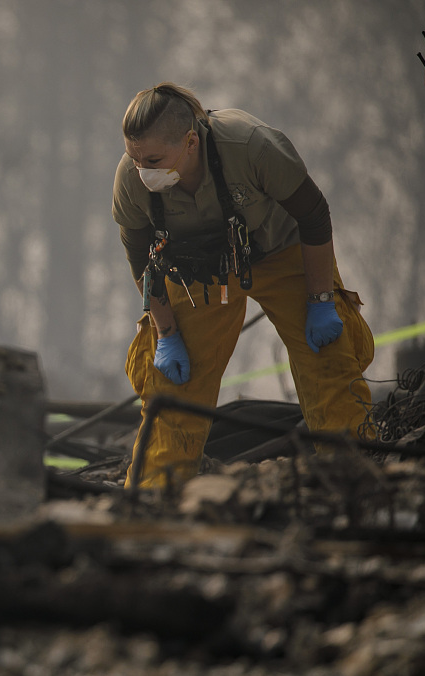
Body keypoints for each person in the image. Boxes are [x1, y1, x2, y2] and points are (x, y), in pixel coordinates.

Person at [112, 83, 374, 488]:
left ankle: (359, 481)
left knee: (328, 361)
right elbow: (140, 261)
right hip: (200, 274)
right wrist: (165, 333)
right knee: (173, 389)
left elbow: (315, 216)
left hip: (281, 252)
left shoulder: (251, 145)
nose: (142, 170)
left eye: (153, 160)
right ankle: (151, 499)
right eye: (134, 158)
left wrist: (321, 301)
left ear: (190, 142)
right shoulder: (132, 179)